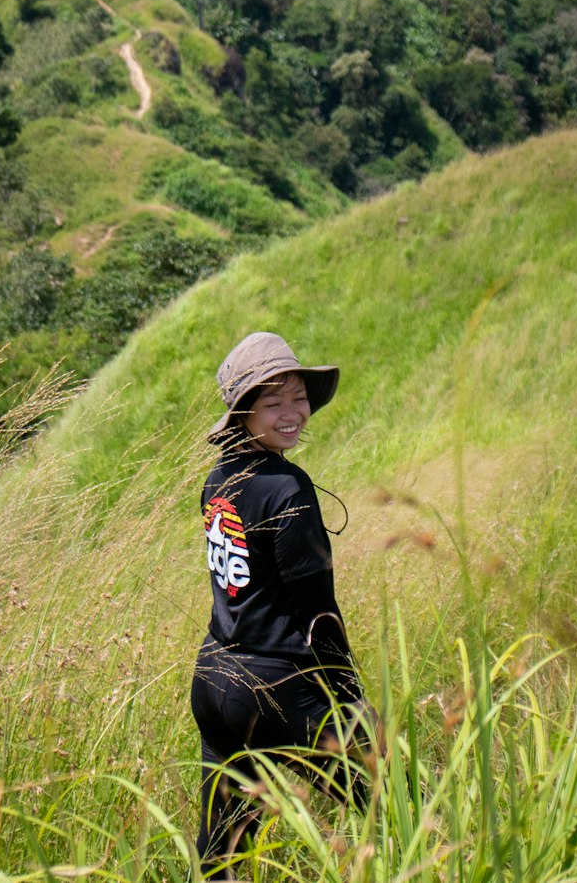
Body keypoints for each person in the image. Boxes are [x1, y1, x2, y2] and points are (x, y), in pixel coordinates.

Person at [190, 331, 371, 880]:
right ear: (245, 413)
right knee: (401, 802)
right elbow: (317, 610)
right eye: (273, 403)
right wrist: (349, 697)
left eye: (299, 398)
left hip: (215, 677)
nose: (293, 413)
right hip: (277, 684)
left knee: (221, 851)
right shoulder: (287, 488)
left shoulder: (218, 479)